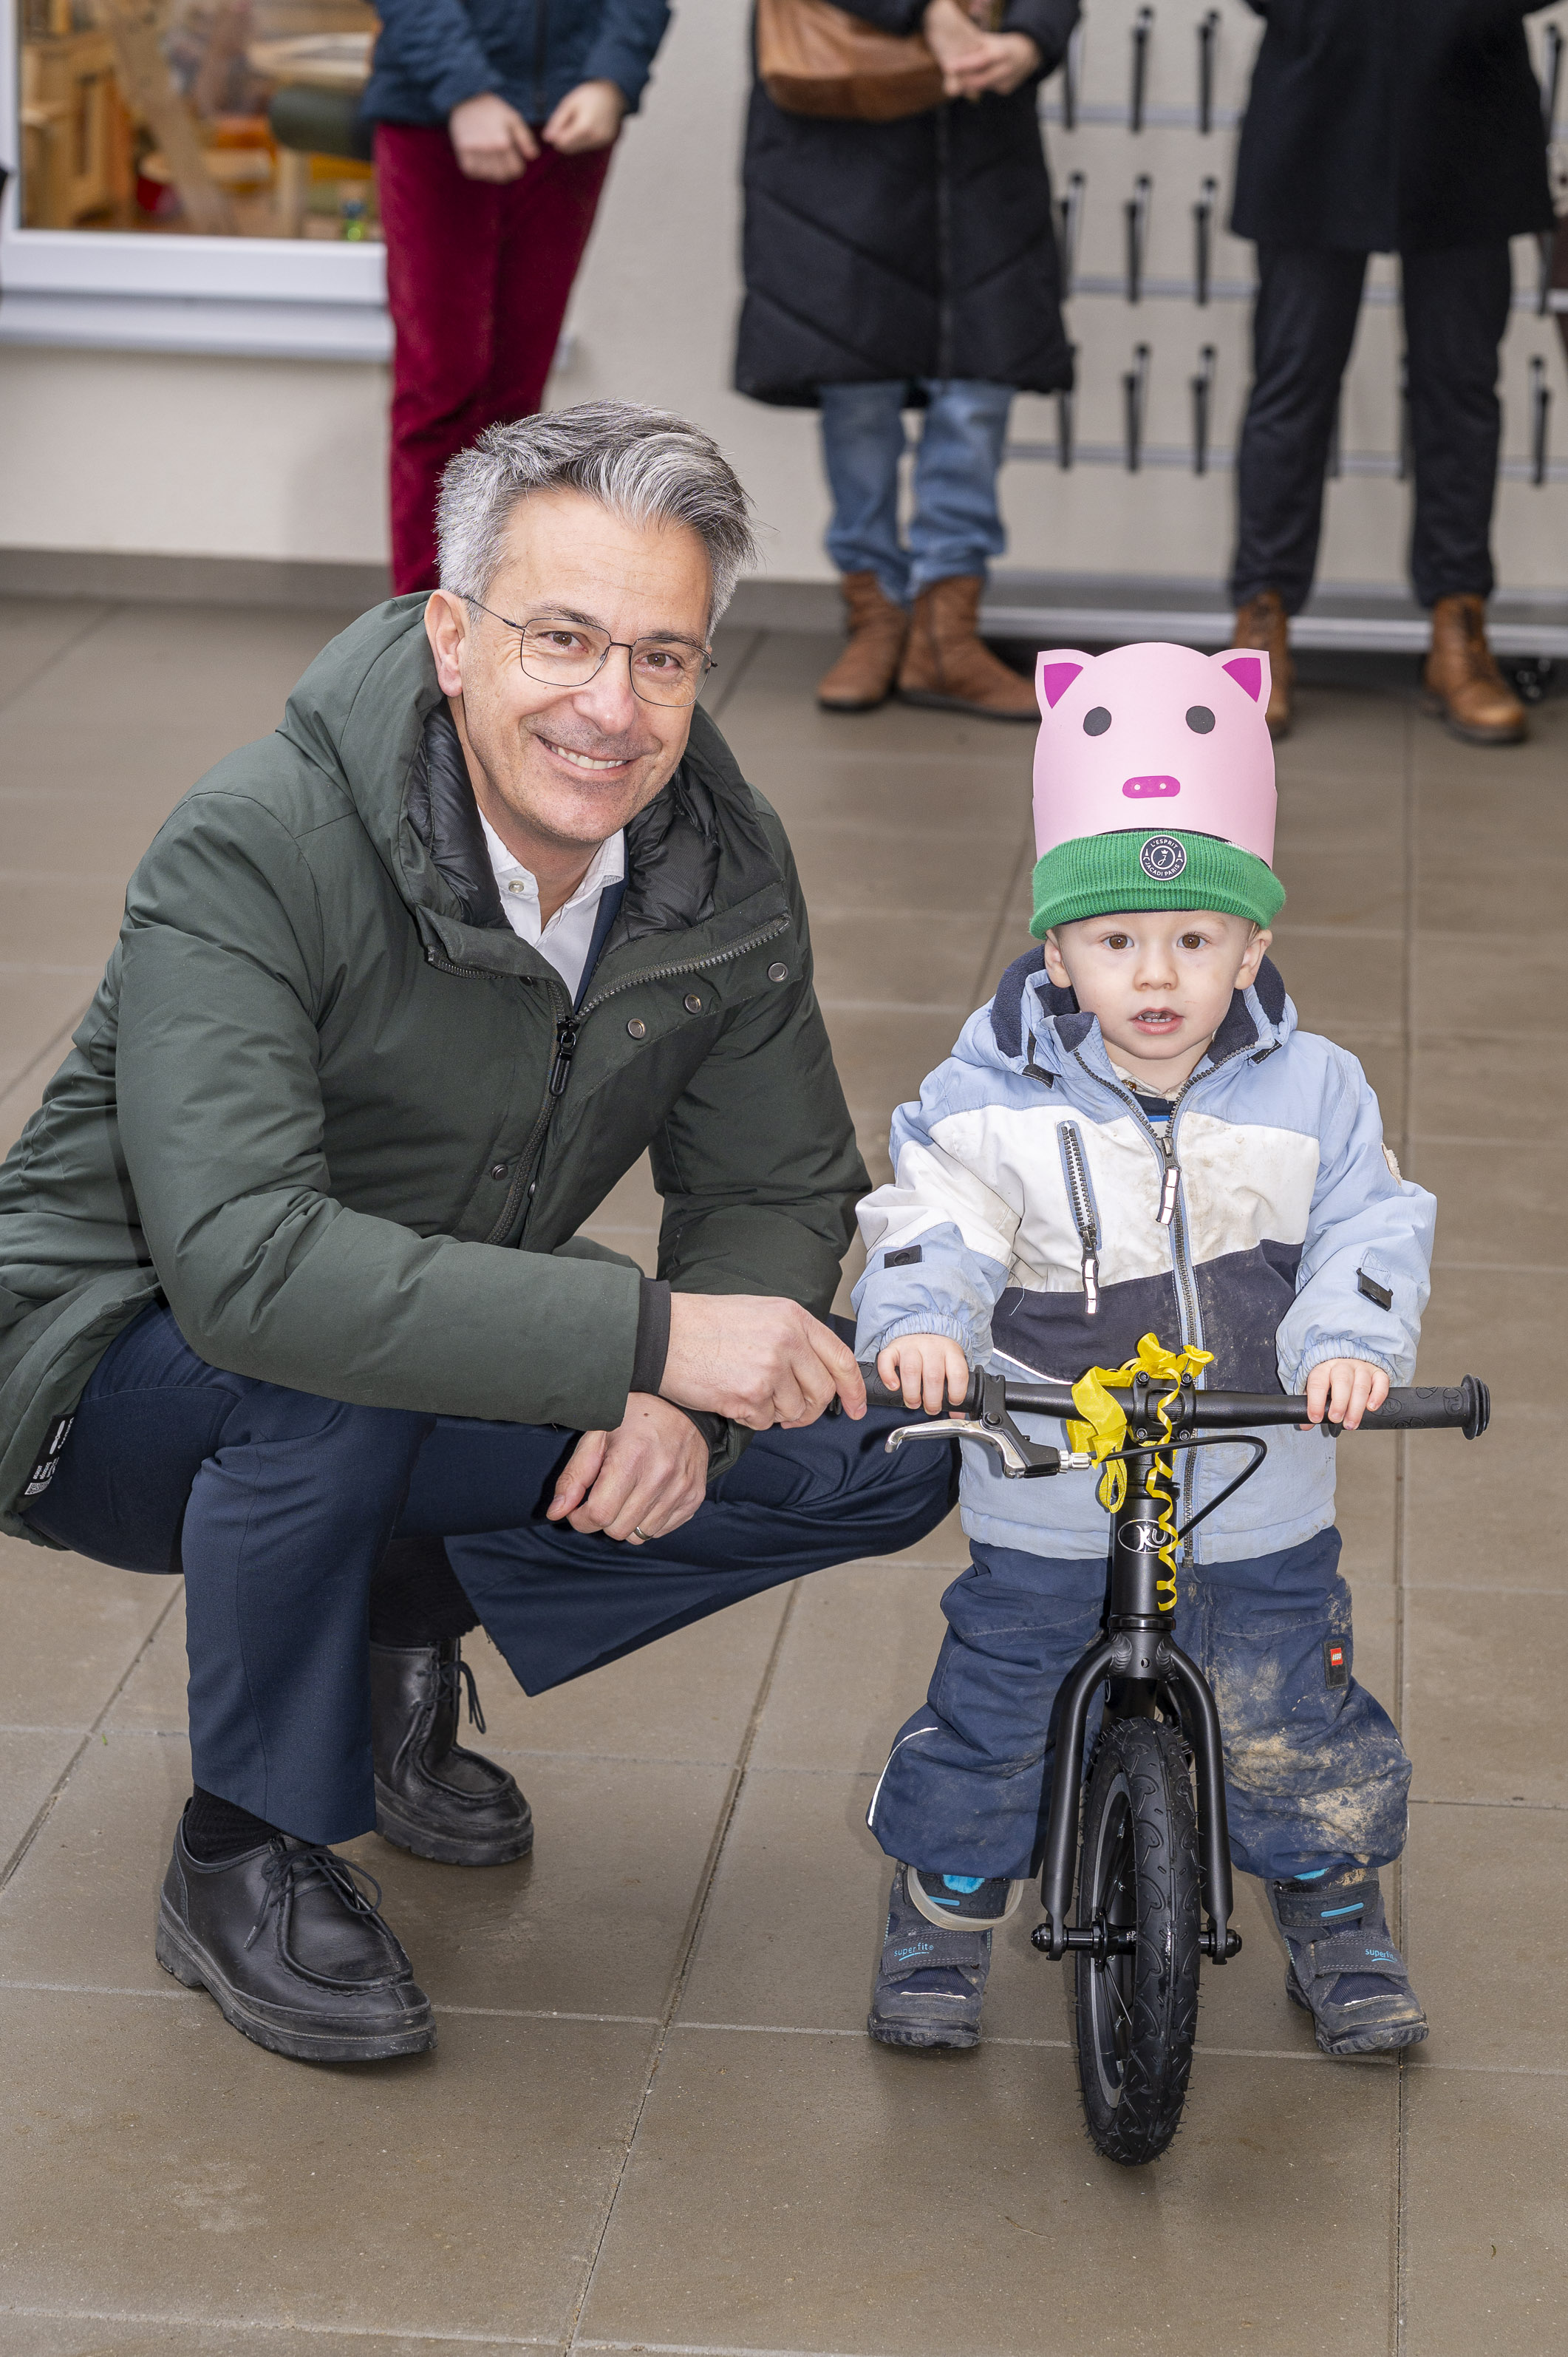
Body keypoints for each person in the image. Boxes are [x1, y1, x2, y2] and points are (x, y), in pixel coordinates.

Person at [0, 403, 955, 2067]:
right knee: (327, 1373)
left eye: (664, 657)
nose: (611, 705)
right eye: (563, 637)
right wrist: (642, 1342)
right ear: (453, 637)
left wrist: (690, 1388)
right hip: (106, 1367)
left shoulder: (714, 865)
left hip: (412, 1320)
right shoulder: (255, 843)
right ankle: (241, 1850)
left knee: (878, 1442)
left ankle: (386, 1630)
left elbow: (781, 1184)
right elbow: (250, 1265)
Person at [851, 638, 1436, 2060]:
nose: (1156, 974)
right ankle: (945, 1897)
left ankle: (1327, 1886)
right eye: (1115, 941)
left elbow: (1369, 1217)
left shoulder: (1315, 1089)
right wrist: (924, 1323)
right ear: (1056, 949)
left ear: (1252, 945)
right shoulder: (982, 1092)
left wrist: (1346, 1340)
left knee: (1288, 1697)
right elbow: (926, 1214)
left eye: (1194, 941)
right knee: (994, 1700)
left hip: (1254, 1479)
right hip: (1049, 1479)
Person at [736, 0, 1078, 720]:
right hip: (838, 136)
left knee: (975, 388)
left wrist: (1031, 39)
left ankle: (944, 633)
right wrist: (927, 14)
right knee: (857, 387)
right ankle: (876, 615)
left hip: (977, 137)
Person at [1227, 0, 1556, 744]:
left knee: (1459, 387)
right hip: (1316, 97)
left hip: (1468, 100)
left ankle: (1457, 624)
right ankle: (1261, 619)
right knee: (1292, 383)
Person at [364, 1, 673, 594]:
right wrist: (464, 90)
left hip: (568, 120)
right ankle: (424, 632)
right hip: (435, 118)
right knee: (441, 391)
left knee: (517, 403)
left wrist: (612, 78)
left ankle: (501, 620)